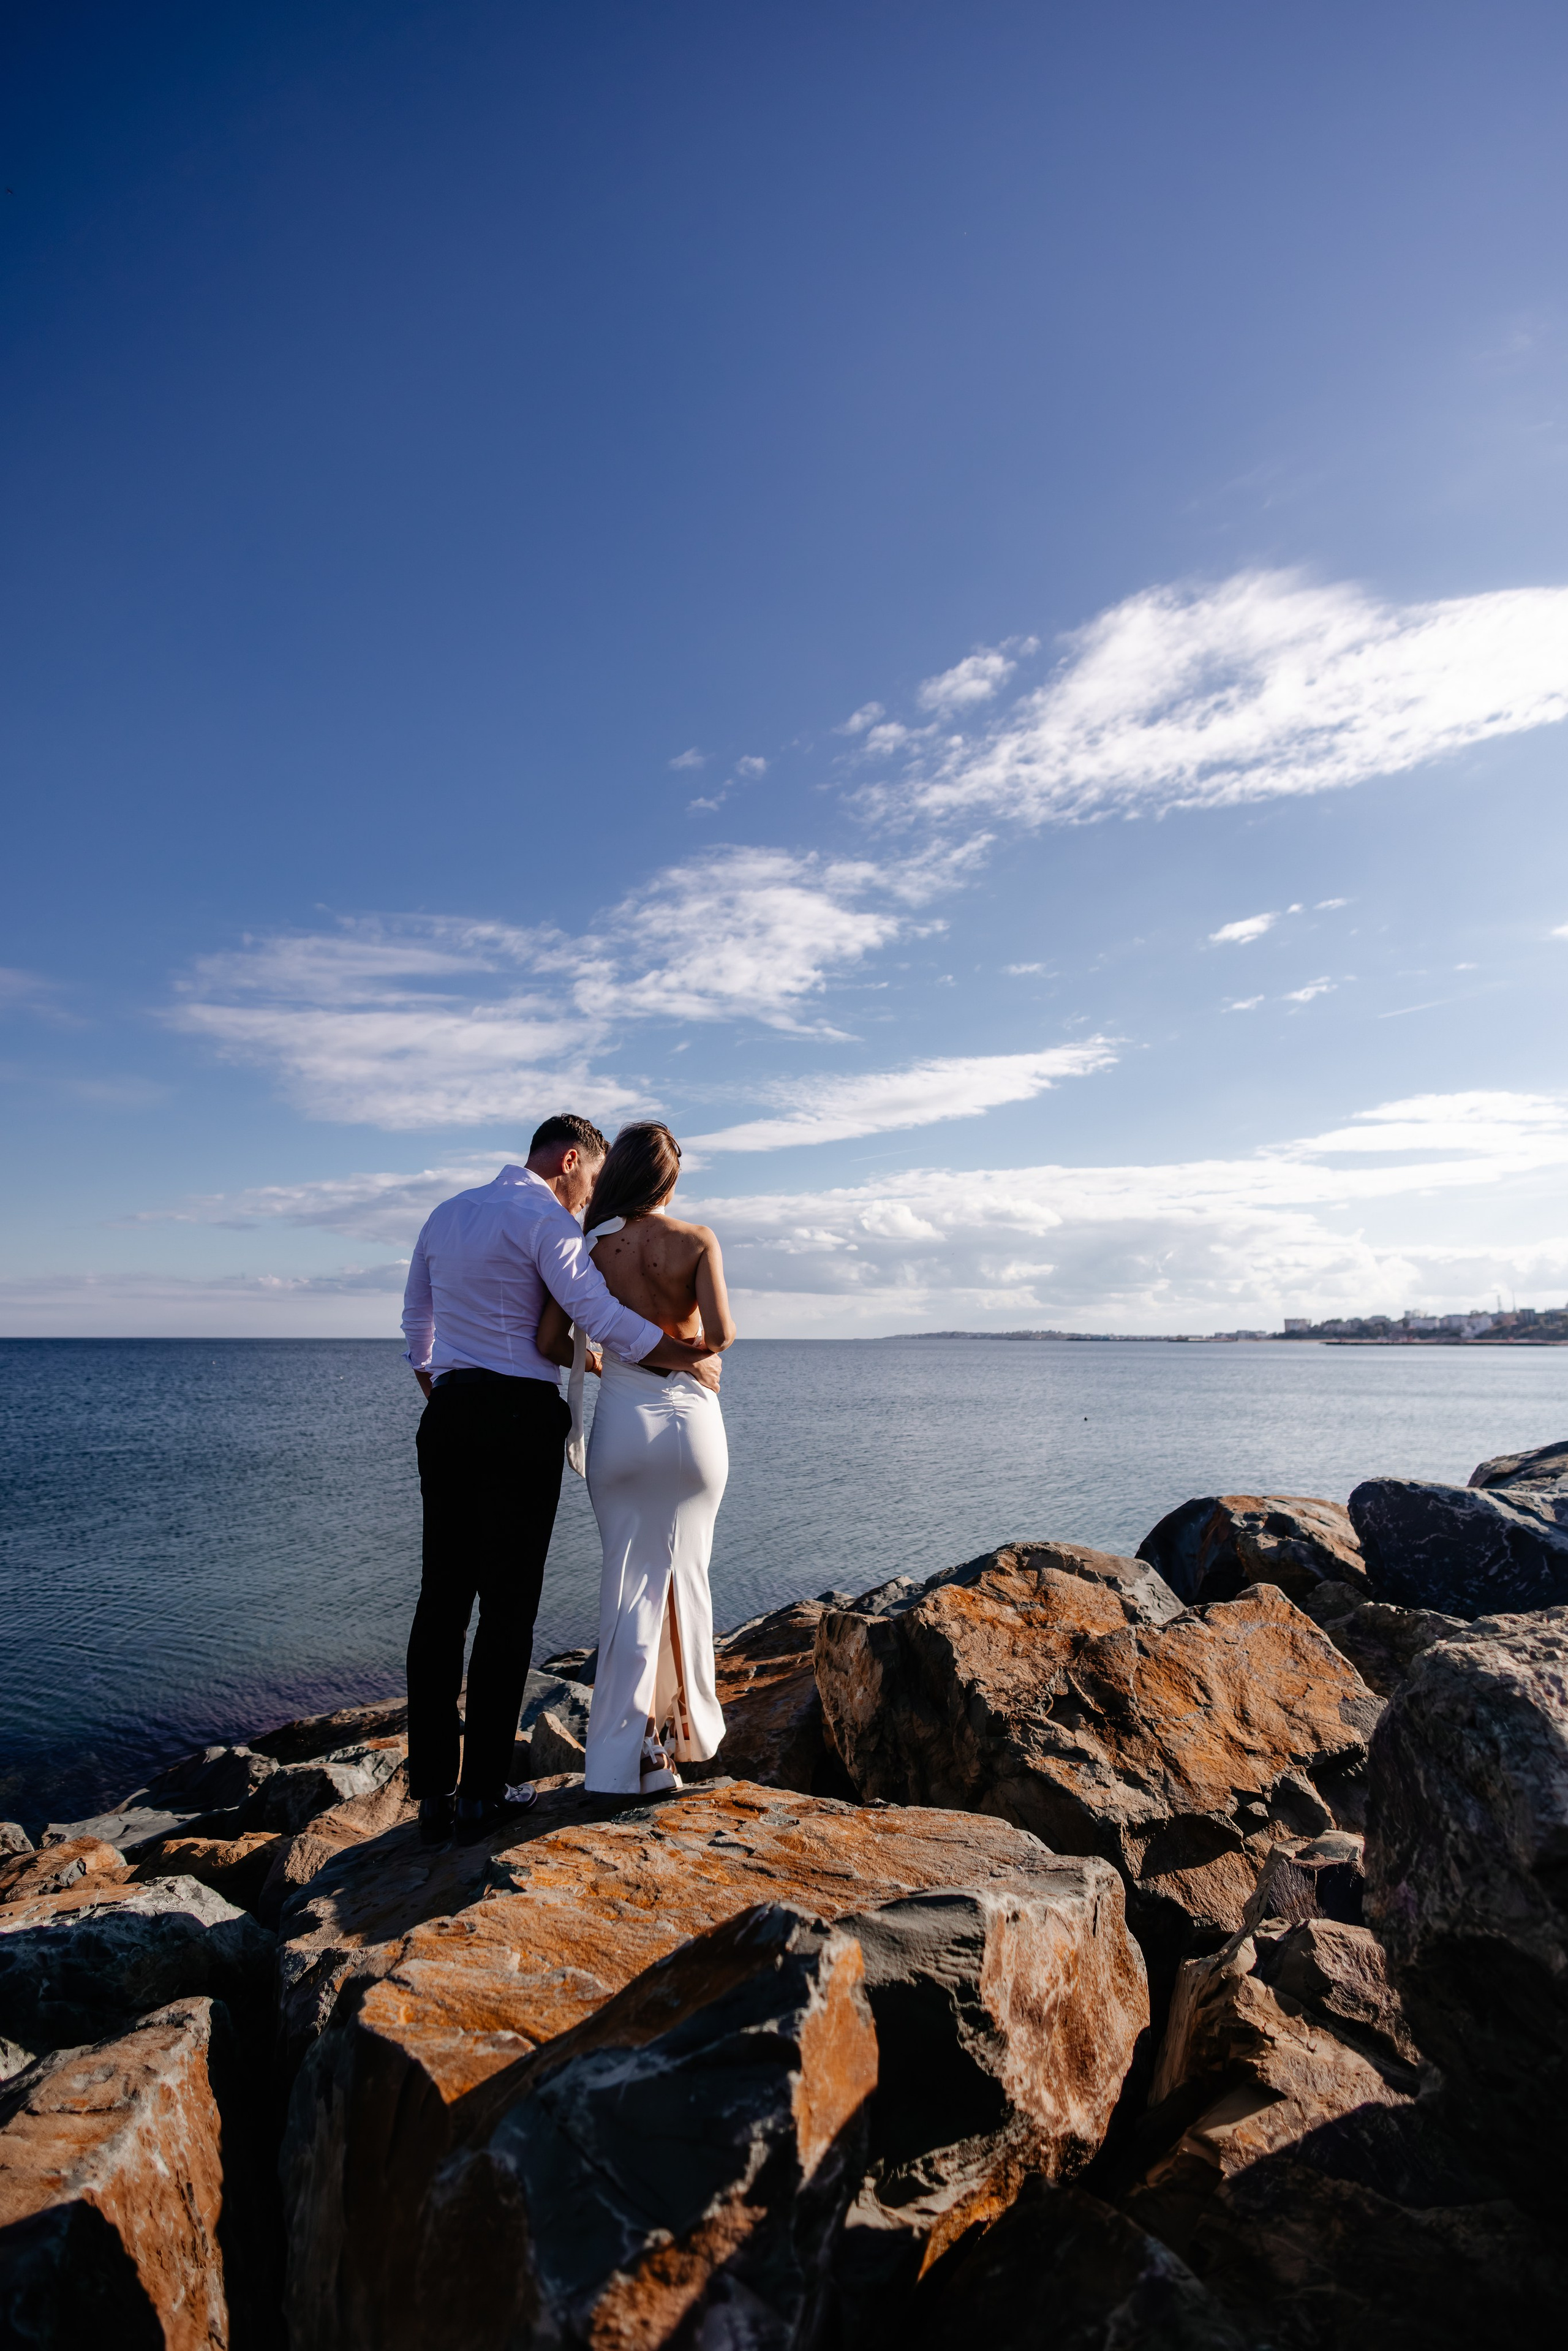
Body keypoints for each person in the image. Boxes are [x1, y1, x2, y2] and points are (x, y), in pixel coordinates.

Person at [400, 1113, 720, 1847]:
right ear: (570, 1160)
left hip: (448, 1412)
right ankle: (482, 1794)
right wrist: (680, 1357)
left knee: (441, 1599)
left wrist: (443, 1394)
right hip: (518, 1416)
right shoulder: (544, 1219)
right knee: (507, 1606)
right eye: (590, 1182)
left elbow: (415, 1322)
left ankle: (431, 1796)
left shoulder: (445, 1213)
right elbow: (593, 1311)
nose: (588, 1199)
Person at [536, 1121, 736, 1797]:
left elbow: (547, 1338)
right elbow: (722, 1337)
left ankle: (630, 1758)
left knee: (629, 1585)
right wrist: (691, 1357)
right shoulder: (697, 1239)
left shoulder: (586, 1247)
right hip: (694, 1425)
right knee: (687, 1578)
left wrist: (603, 1361)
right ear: (668, 1181)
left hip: (623, 1424)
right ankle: (681, 1736)